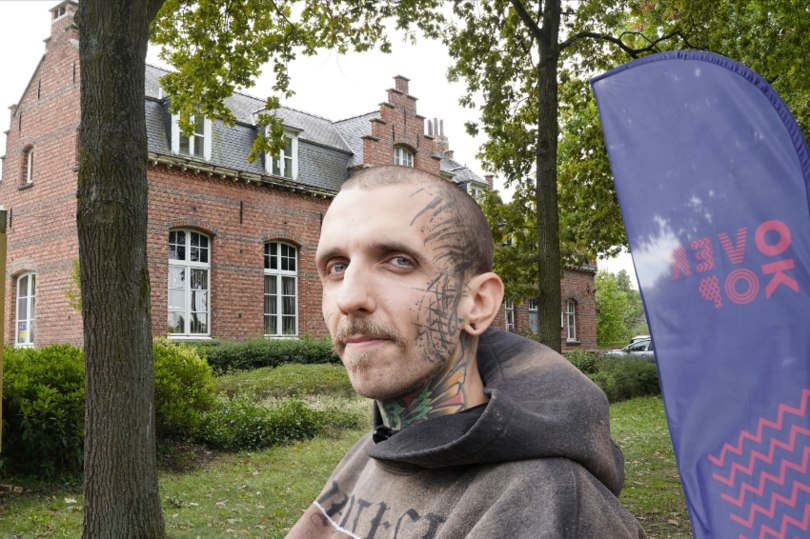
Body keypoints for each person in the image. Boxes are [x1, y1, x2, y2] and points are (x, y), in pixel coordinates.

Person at [286, 166, 646, 539]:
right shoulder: (369, 451)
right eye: (337, 267)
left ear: (477, 303)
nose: (348, 298)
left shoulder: (551, 508)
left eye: (399, 261)